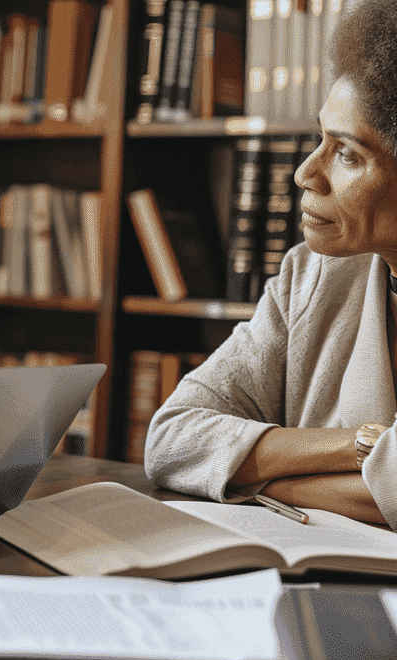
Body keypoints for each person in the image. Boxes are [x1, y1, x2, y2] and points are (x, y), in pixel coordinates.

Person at [145, 0, 397, 531]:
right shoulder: (312, 277)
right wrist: (360, 446)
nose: (306, 172)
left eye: (347, 154)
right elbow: (172, 437)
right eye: (319, 140)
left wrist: (255, 474)